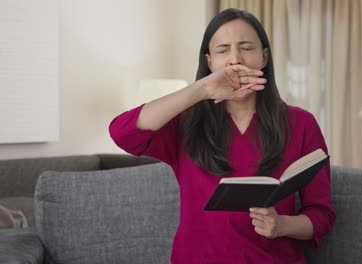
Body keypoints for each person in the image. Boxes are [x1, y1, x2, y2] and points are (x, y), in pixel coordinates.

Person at [109, 8, 335, 264]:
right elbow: (122, 133)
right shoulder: (186, 122)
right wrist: (202, 88)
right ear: (209, 62)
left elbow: (321, 215)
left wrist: (282, 225)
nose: (234, 59)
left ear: (264, 57)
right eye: (223, 50)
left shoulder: (301, 123)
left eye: (246, 47)